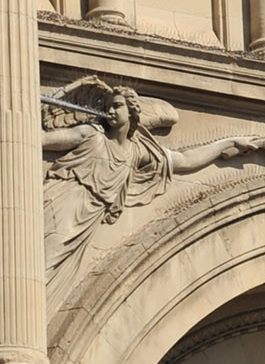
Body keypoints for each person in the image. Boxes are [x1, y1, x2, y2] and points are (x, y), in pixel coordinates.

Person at [41, 77, 253, 299]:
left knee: (51, 276)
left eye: (117, 106)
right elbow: (43, 139)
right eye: (107, 107)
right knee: (41, 263)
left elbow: (185, 160)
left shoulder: (137, 152)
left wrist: (228, 144)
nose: (111, 111)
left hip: (87, 219)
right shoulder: (90, 134)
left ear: (131, 111)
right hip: (63, 202)